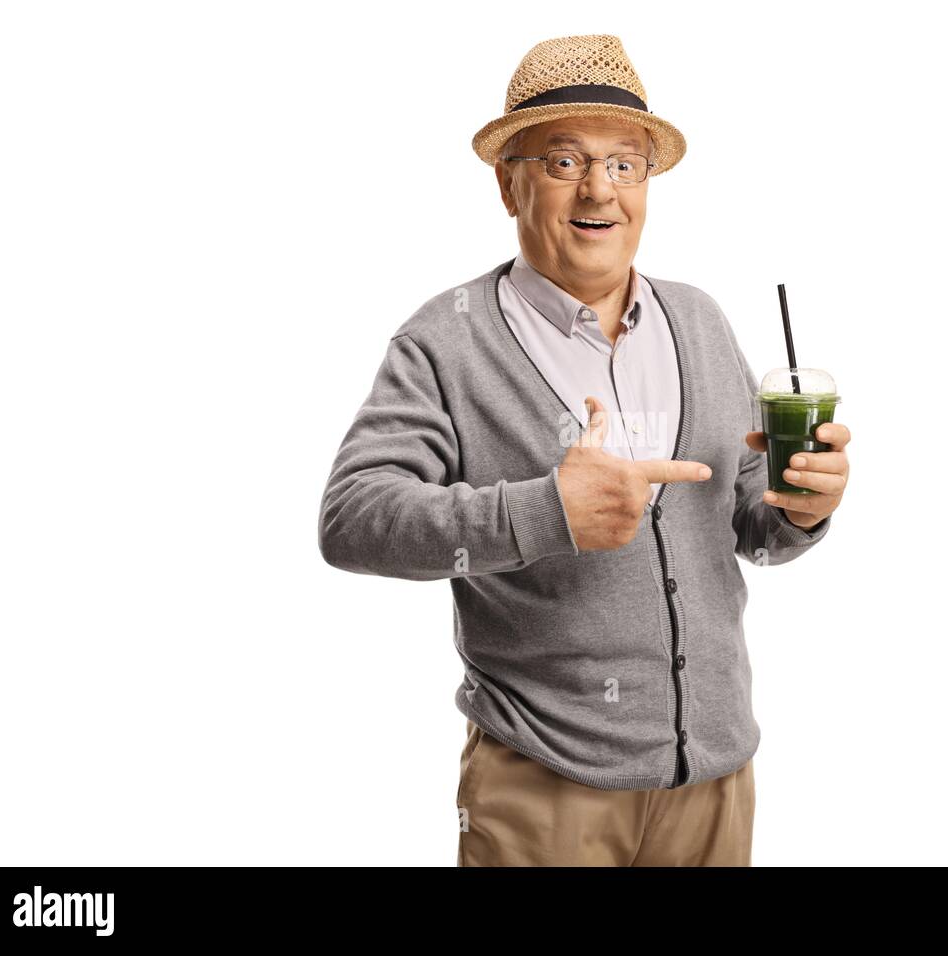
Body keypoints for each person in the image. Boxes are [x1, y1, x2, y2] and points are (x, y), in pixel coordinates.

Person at [317, 34, 851, 866]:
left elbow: (750, 523)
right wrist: (544, 510)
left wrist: (803, 508)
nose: (599, 189)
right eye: (563, 162)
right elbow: (352, 521)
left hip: (713, 781)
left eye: (625, 164)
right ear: (509, 182)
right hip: (544, 786)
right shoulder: (446, 341)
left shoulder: (700, 320)